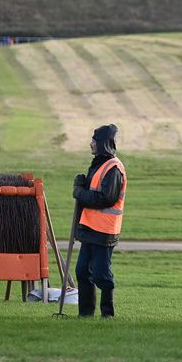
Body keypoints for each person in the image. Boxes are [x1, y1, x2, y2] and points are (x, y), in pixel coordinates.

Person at [72, 123, 127, 318]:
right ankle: (85, 315)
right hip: (89, 227)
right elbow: (94, 192)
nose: (90, 144)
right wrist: (83, 184)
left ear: (102, 143)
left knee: (101, 274)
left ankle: (107, 314)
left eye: (93, 140)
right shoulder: (99, 164)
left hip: (104, 231)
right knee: (82, 271)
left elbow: (105, 198)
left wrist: (79, 192)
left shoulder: (114, 168)